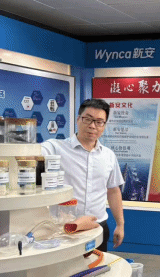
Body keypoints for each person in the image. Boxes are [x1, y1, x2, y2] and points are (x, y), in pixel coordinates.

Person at [41, 98, 125, 252]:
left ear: (104, 125)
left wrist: (120, 224)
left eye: (99, 122)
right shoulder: (55, 148)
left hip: (98, 226)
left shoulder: (109, 156)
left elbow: (113, 191)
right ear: (78, 119)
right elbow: (29, 155)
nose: (93, 126)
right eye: (88, 119)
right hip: (64, 229)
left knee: (97, 265)